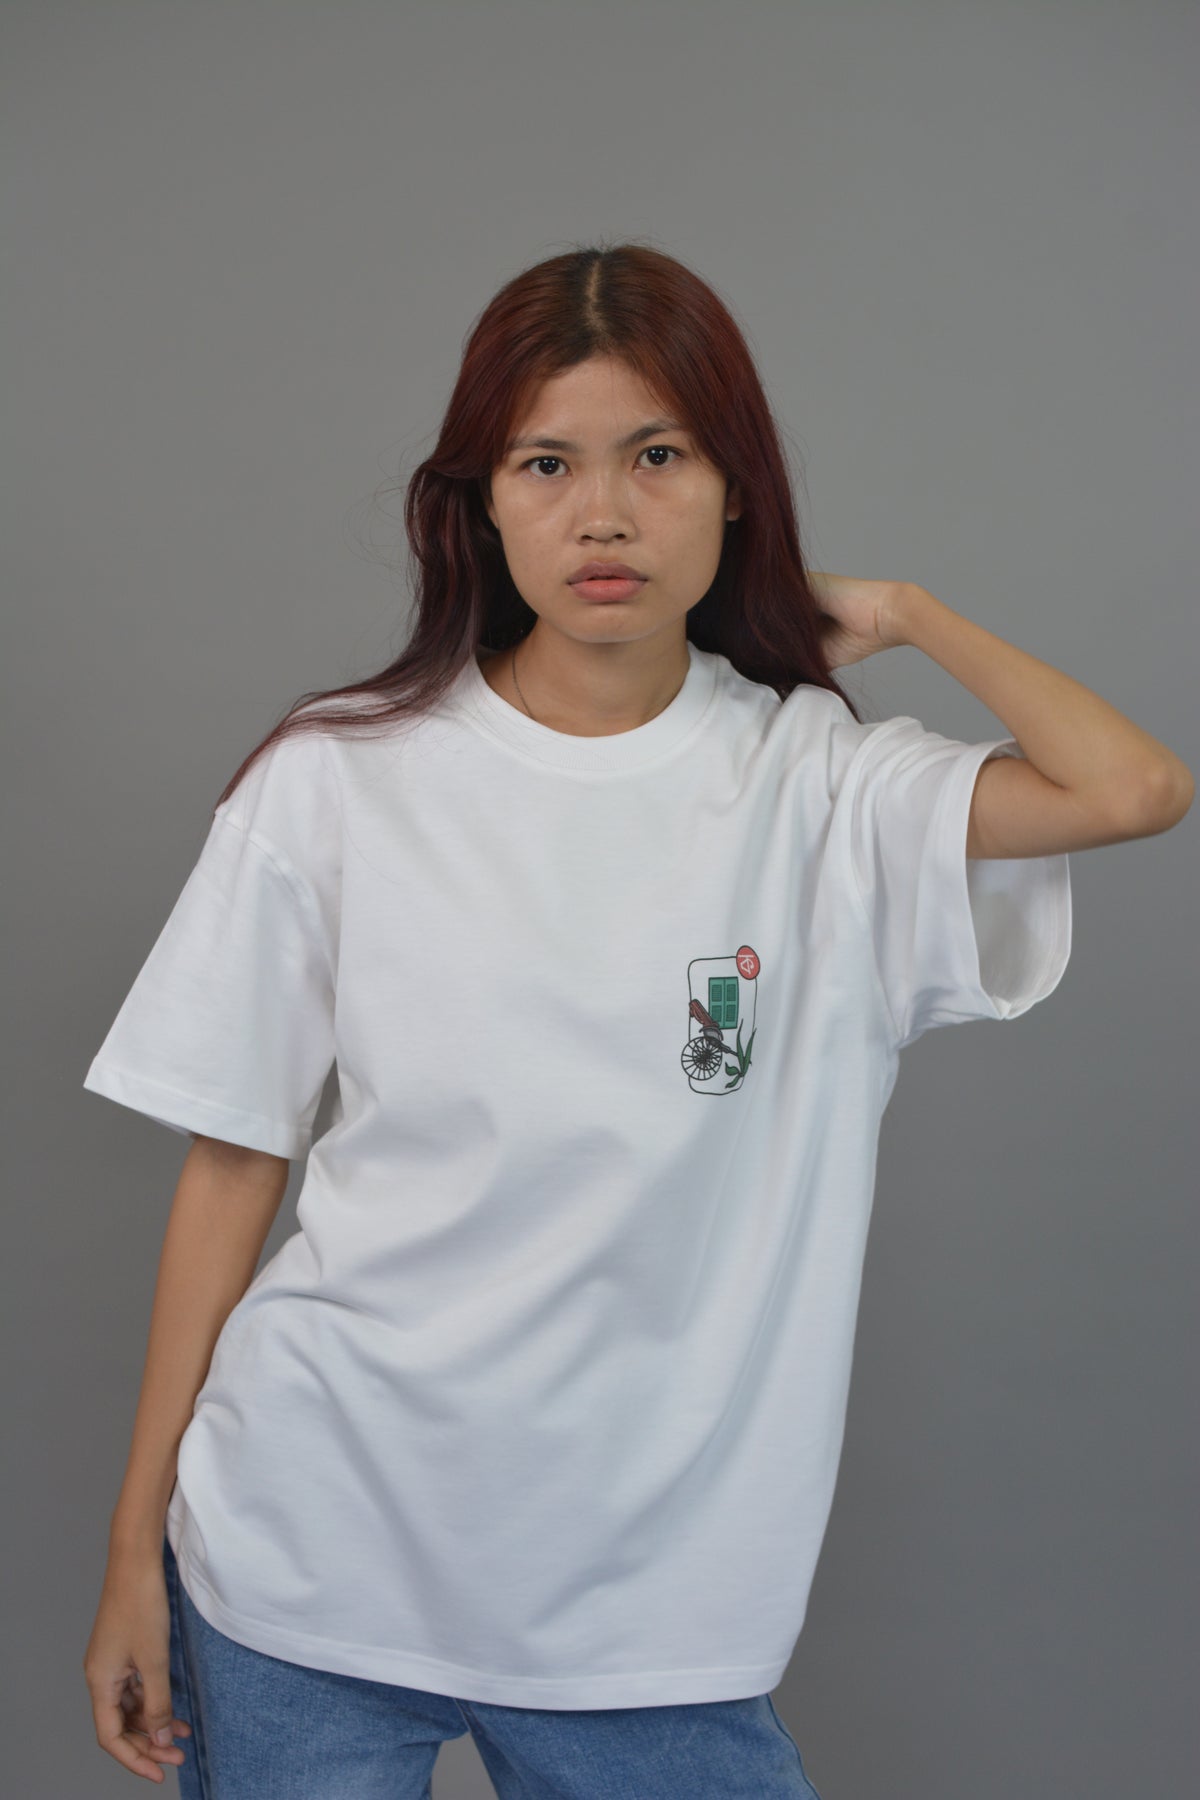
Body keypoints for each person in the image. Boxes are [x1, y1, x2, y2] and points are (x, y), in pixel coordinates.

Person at [80, 242, 1193, 1798]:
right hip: (306, 1548)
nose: (602, 514)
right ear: (482, 501)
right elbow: (233, 1165)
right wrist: (132, 1551)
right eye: (547, 464)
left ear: (737, 490)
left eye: (657, 457)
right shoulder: (335, 779)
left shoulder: (824, 791)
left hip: (653, 1611)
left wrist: (910, 611)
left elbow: (1134, 789)